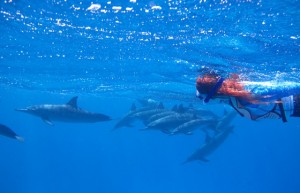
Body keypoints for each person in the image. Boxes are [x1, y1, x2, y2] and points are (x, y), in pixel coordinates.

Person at [195, 72, 300, 122]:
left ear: (217, 94)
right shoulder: (234, 97)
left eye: (210, 99)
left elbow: (288, 89)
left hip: (296, 104)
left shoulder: (250, 95)